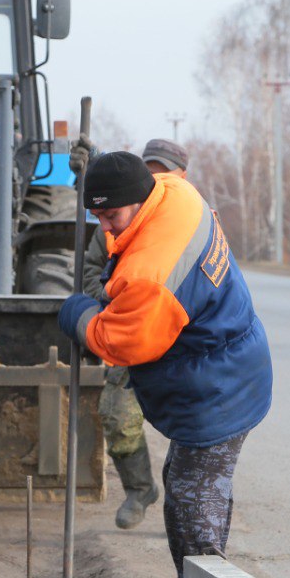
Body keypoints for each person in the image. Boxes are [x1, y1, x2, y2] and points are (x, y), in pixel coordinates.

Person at [58, 151, 273, 578]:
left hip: (219, 386)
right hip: (221, 367)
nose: (104, 228)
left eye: (111, 215)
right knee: (182, 487)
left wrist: (78, 314)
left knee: (195, 504)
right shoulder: (173, 192)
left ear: (139, 200)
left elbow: (119, 343)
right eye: (96, 216)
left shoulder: (151, 272)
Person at [77, 138, 191, 529]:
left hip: (180, 343)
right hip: (131, 334)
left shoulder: (191, 218)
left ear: (182, 176)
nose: (157, 179)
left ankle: (185, 511)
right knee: (117, 416)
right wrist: (114, 303)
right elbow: (91, 272)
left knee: (191, 433)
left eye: (165, 172)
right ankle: (140, 489)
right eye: (150, 170)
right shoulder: (113, 224)